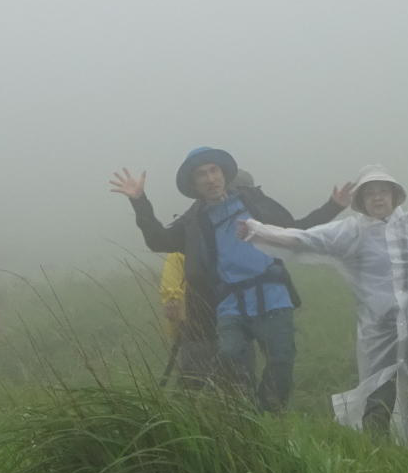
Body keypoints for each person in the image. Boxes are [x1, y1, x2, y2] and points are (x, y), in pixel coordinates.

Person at [240, 162, 408, 444]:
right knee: (378, 391)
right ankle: (376, 444)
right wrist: (257, 231)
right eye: (370, 193)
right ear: (360, 201)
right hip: (378, 331)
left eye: (383, 191)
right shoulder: (352, 232)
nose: (377, 197)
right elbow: (304, 239)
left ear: (395, 196)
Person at [109, 148, 344, 410]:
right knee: (230, 359)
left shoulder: (254, 203)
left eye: (214, 171)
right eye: (201, 174)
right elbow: (158, 240)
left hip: (273, 296)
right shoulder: (194, 220)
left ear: (223, 174)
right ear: (194, 184)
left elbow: (296, 230)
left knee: (281, 361)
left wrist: (333, 206)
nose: (210, 179)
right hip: (229, 303)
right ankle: (245, 417)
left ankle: (269, 416)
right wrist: (139, 201)